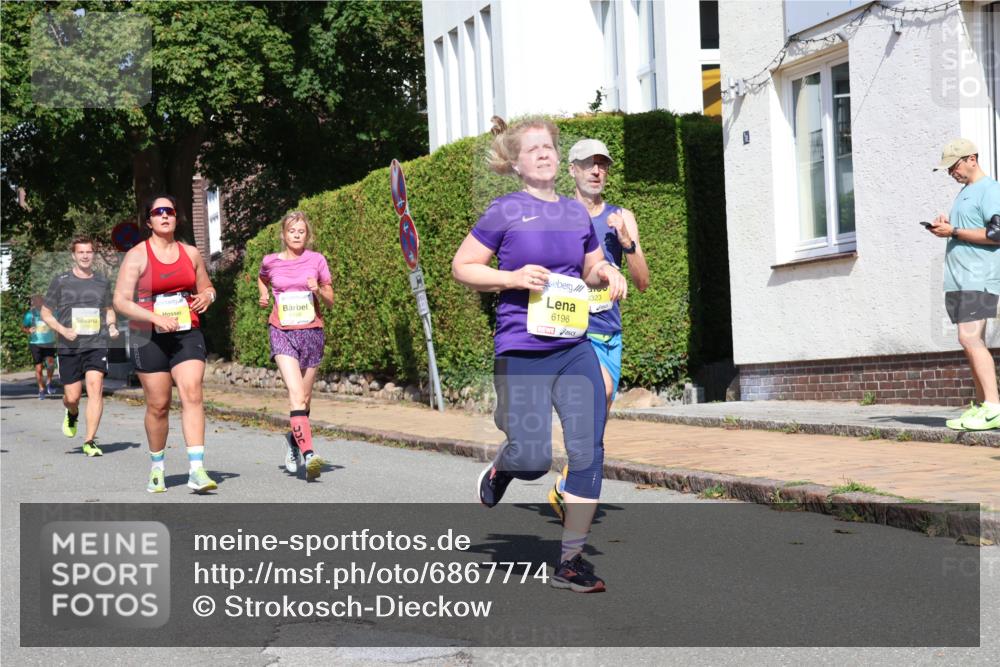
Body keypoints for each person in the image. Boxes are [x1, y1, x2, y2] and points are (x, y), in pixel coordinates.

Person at [452, 116, 627, 593]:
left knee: (587, 450)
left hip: (574, 348)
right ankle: (504, 467)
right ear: (515, 164)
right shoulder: (504, 211)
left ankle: (570, 561)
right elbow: (462, 266)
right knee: (531, 458)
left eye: (549, 146)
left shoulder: (576, 214)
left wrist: (608, 274)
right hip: (522, 350)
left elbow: (590, 266)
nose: (545, 153)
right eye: (534, 149)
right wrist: (511, 278)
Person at [547, 138, 653, 519]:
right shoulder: (557, 215)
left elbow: (641, 282)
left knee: (599, 415)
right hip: (574, 330)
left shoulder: (622, 216)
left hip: (611, 332)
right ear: (571, 170)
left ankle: (568, 485)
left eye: (602, 164)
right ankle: (578, 490)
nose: (596, 170)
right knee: (599, 393)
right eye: (588, 164)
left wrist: (627, 244)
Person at [113, 195, 217, 493]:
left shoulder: (191, 253)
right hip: (148, 335)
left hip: (186, 331)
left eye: (169, 211)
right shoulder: (137, 255)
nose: (165, 216)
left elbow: (207, 287)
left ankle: (196, 469)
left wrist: (208, 297)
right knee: (159, 405)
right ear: (149, 221)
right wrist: (154, 318)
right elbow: (120, 301)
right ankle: (157, 467)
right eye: (158, 212)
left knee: (192, 392)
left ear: (176, 217)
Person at [257, 211, 334, 481]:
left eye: (301, 231)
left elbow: (331, 300)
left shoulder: (317, 260)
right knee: (295, 393)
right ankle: (310, 453)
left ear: (307, 234)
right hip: (282, 331)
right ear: (283, 234)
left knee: (305, 399)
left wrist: (318, 290)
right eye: (292, 231)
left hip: (311, 332)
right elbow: (262, 277)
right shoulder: (270, 262)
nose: (297, 235)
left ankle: (293, 441)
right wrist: (264, 294)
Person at [929, 138, 1000, 431]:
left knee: (969, 339)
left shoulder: (990, 189)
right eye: (947, 169)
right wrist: (946, 226)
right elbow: (964, 230)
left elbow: (996, 233)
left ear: (972, 158)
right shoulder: (964, 193)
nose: (951, 173)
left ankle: (994, 407)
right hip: (959, 279)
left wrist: (954, 231)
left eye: (954, 166)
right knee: (969, 342)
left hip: (979, 277)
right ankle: (984, 407)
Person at [40, 237, 119, 456]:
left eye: (89, 252)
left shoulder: (102, 282)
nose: (85, 255)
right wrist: (63, 331)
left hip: (96, 343)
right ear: (73, 255)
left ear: (94, 255)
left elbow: (109, 309)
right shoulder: (61, 281)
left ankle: (90, 440)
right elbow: (45, 313)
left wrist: (111, 326)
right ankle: (72, 412)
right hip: (69, 346)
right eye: (81, 252)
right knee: (72, 397)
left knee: (96, 387)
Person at [22, 294, 57, 400]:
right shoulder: (30, 315)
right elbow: (23, 327)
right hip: (35, 343)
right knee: (39, 367)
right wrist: (28, 330)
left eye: (38, 301)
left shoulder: (51, 312)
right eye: (34, 301)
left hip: (49, 342)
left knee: (50, 364)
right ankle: (41, 389)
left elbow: (57, 324)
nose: (36, 303)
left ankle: (49, 382)